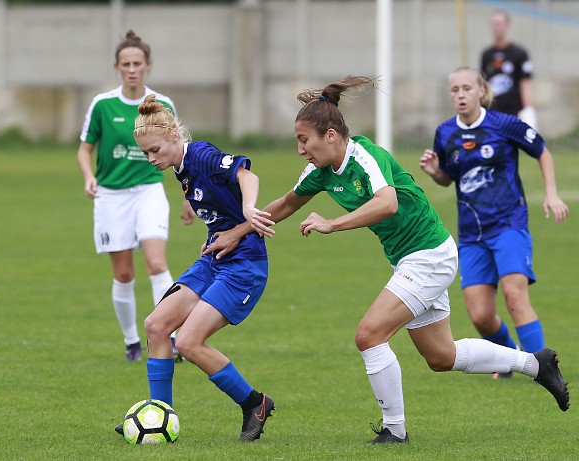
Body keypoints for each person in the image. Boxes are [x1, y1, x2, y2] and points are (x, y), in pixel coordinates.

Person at [205, 75, 570, 444]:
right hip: (412, 259)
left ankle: (395, 431)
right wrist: (238, 232)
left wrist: (333, 224)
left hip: (428, 255)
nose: (300, 149)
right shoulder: (320, 171)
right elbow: (285, 203)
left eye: (304, 140)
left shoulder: (365, 156)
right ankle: (534, 363)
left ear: (330, 135)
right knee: (441, 356)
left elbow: (387, 202)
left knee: (369, 335)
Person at [115, 94, 276, 441]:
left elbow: (247, 175)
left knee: (187, 342)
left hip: (244, 265)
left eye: (155, 150)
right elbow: (205, 195)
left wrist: (249, 209)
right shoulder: (181, 168)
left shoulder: (201, 154)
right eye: (145, 153)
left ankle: (255, 404)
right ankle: (160, 416)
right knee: (156, 326)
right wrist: (191, 206)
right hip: (214, 260)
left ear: (174, 134)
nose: (150, 158)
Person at [420, 67, 569, 379]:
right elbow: (449, 179)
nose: (460, 95)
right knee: (481, 316)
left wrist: (551, 194)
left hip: (508, 224)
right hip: (472, 234)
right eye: (455, 90)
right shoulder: (446, 133)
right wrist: (436, 172)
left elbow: (542, 151)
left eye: (466, 88)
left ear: (480, 91)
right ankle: (512, 359)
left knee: (515, 296)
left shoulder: (504, 124)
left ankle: (544, 368)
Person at [77, 30, 194, 362]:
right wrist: (89, 177)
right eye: (125, 63)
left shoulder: (161, 104)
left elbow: (180, 152)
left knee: (157, 264)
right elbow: (85, 150)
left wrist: (189, 196)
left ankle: (169, 338)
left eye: (137, 63)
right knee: (124, 273)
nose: (132, 69)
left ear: (147, 66)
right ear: (117, 67)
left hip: (148, 191)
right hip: (111, 196)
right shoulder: (103, 105)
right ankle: (131, 342)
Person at [480, 9, 537, 128]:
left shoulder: (519, 53)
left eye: (500, 24)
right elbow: (483, 84)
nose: (497, 27)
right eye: (494, 24)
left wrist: (528, 110)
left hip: (513, 111)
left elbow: (525, 82)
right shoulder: (486, 55)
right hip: (493, 112)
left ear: (507, 26)